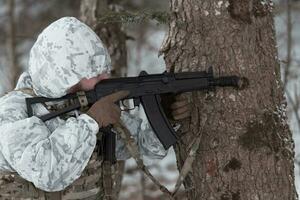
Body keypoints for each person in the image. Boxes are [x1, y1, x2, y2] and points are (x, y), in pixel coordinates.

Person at [0, 17, 191, 199]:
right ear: (64, 76)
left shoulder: (84, 105)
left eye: (103, 71)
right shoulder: (13, 113)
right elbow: (47, 174)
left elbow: (141, 147)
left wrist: (164, 116)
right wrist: (91, 122)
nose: (105, 78)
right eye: (94, 73)